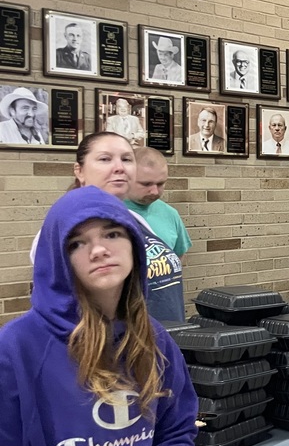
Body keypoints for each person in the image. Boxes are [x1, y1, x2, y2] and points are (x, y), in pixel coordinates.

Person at [1, 186, 201, 446]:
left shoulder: (154, 338)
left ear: (134, 243)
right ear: (57, 260)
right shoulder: (17, 349)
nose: (98, 250)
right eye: (78, 242)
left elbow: (175, 431)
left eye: (112, 233)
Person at [30, 132, 187, 322]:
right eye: (105, 159)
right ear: (79, 170)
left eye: (126, 159)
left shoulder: (136, 220)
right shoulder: (59, 229)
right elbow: (54, 302)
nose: (119, 167)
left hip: (151, 336)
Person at [125, 147, 192, 258]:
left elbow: (178, 257)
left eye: (160, 184)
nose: (154, 192)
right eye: (146, 184)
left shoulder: (170, 213)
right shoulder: (106, 213)